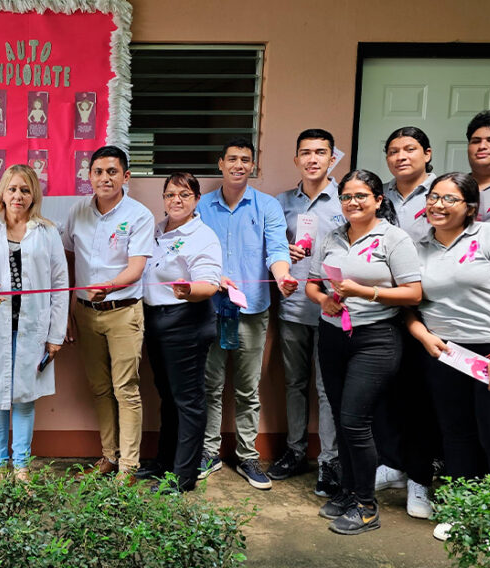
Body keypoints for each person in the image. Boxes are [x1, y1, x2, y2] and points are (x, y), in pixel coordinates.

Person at [405, 172, 490, 541]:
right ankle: (466, 513)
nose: (437, 204)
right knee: (457, 435)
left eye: (450, 199)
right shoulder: (417, 247)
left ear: (470, 208)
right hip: (449, 353)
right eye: (434, 197)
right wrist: (422, 334)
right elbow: (405, 301)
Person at [305, 169, 423, 535]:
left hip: (377, 338)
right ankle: (349, 490)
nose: (352, 203)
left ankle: (367, 506)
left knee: (357, 421)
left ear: (378, 200)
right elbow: (312, 283)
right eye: (346, 197)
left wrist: (364, 292)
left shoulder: (394, 238)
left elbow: (413, 293)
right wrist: (324, 299)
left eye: (360, 196)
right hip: (334, 335)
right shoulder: (332, 236)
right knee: (342, 417)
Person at [195, 138, 296, 489]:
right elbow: (189, 249)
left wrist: (282, 276)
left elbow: (278, 248)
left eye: (246, 160)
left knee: (247, 388)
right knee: (209, 385)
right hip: (210, 309)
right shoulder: (202, 206)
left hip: (252, 308)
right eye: (233, 159)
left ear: (252, 166)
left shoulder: (267, 206)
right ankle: (208, 453)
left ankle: (247, 456)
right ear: (220, 163)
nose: (239, 165)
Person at [0, 164, 68, 482]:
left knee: (24, 397)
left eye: (24, 189)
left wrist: (55, 334)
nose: (18, 195)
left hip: (32, 327)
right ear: (2, 193)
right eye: (12, 189)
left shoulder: (47, 232)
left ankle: (21, 466)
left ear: (34, 195)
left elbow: (60, 284)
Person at [61, 145, 153, 478]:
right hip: (86, 313)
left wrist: (110, 287)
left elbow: (137, 267)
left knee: (124, 388)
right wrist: (69, 309)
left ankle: (128, 467)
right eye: (98, 172)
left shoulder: (139, 214)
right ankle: (109, 458)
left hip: (123, 311)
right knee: (99, 388)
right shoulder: (77, 212)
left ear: (125, 176)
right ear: (89, 176)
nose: (105, 178)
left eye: (112, 172)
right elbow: (69, 262)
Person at [133, 172, 221, 493]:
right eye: (170, 195)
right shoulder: (157, 230)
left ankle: (183, 477)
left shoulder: (203, 236)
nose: (176, 201)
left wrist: (189, 290)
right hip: (155, 321)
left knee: (188, 400)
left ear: (196, 199)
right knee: (168, 398)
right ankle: (164, 462)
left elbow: (209, 282)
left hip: (186, 321)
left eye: (184, 195)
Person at [271, 129, 345, 495]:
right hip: (292, 307)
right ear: (296, 158)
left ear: (333, 158)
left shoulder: (346, 199)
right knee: (294, 384)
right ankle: (296, 451)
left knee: (328, 388)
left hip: (335, 308)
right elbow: (270, 249)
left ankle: (330, 462)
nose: (313, 159)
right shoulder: (281, 202)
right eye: (305, 153)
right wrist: (284, 251)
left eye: (320, 152)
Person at [374, 126, 439, 518]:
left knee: (421, 401)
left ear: (427, 154)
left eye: (410, 149)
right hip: (382, 309)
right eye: (394, 150)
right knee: (386, 395)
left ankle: (420, 480)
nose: (402, 156)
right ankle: (393, 465)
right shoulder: (379, 193)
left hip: (427, 309)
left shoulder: (441, 194)